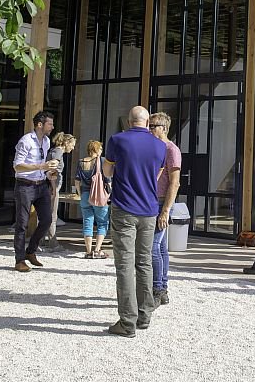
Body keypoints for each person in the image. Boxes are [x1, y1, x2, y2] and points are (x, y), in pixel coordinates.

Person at [102, 106, 167, 337]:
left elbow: (108, 171)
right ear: (148, 122)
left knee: (125, 265)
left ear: (129, 121)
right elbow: (157, 175)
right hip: (149, 209)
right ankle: (144, 314)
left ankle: (127, 322)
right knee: (145, 262)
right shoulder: (160, 145)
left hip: (124, 208)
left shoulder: (117, 140)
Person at [11, 111, 60, 273]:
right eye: (50, 124)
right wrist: (41, 167)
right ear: (40, 125)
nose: (52, 127)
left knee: (46, 220)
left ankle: (31, 251)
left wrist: (50, 176)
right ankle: (19, 260)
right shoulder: (26, 141)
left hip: (41, 185)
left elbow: (42, 165)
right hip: (25, 185)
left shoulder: (46, 141)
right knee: (22, 224)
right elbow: (17, 166)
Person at [149, 112, 182, 306]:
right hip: (152, 201)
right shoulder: (155, 148)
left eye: (153, 126)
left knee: (153, 247)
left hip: (161, 202)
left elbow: (174, 182)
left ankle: (157, 288)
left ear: (163, 128)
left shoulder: (171, 150)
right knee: (160, 248)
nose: (150, 129)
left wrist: (166, 210)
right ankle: (162, 288)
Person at [74, 140, 110, 259]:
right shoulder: (102, 161)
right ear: (97, 149)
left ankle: (88, 251)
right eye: (100, 148)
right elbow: (108, 180)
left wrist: (80, 194)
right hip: (99, 196)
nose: (101, 150)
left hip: (85, 195)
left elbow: (77, 181)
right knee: (102, 223)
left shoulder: (81, 162)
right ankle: (97, 250)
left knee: (87, 222)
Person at [43, 132, 76, 253]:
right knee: (52, 215)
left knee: (46, 214)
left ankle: (41, 240)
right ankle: (53, 243)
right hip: (52, 186)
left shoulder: (54, 150)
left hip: (50, 186)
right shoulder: (58, 152)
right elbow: (53, 169)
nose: (73, 148)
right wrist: (53, 188)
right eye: (72, 145)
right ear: (66, 143)